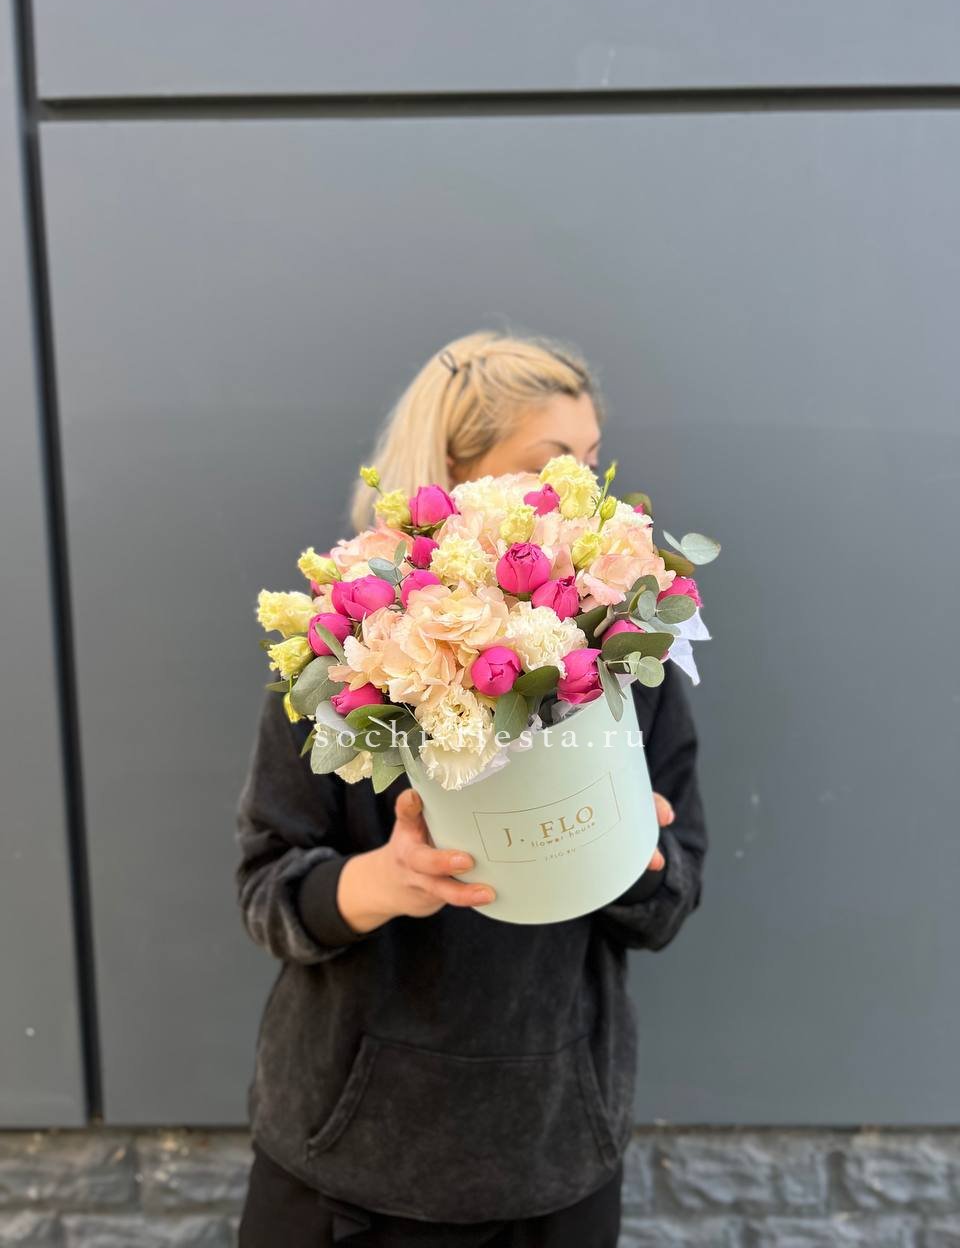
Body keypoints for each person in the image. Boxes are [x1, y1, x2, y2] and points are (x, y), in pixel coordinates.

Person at [235, 329, 708, 1246]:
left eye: (590, 462)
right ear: (450, 474)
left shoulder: (628, 655)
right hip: (347, 1168)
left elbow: (673, 893)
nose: (580, 490)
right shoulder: (340, 654)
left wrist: (633, 854)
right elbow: (266, 889)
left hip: (553, 1159)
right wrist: (385, 881)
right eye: (549, 462)